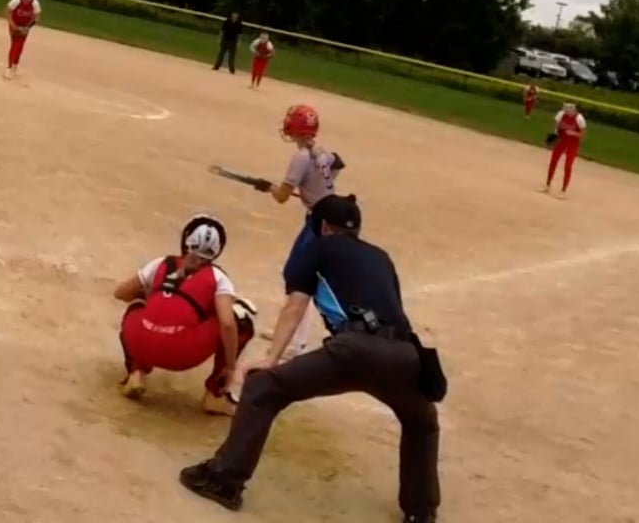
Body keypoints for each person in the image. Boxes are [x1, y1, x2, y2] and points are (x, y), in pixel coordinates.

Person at [180, 194, 443, 522]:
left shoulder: (317, 248)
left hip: (353, 351)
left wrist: (272, 357)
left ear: (323, 226)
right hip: (405, 356)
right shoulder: (381, 257)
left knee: (262, 389)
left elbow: (296, 305)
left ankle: (224, 480)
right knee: (422, 423)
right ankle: (421, 512)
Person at [114, 215, 259, 417]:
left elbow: (120, 293)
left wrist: (152, 295)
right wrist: (231, 367)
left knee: (137, 306)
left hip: (143, 346)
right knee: (240, 321)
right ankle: (215, 395)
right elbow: (227, 324)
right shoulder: (218, 277)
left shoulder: (161, 263)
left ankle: (136, 371)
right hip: (182, 354)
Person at [266, 104, 348, 352]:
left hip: (321, 222)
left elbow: (282, 196)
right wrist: (317, 187)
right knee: (296, 273)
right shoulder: (320, 152)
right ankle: (288, 332)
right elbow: (338, 163)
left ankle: (297, 341)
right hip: (323, 216)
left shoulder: (301, 157)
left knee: (302, 276)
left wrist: (268, 187)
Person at [543, 102, 585, 197]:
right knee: (553, 162)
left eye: (568, 109)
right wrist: (555, 133)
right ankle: (547, 185)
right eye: (565, 108)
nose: (566, 110)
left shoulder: (579, 119)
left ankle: (563, 191)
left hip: (572, 144)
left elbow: (582, 135)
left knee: (568, 166)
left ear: (574, 110)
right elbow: (556, 126)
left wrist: (573, 133)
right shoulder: (561, 114)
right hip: (560, 142)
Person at [3, 0, 41, 79]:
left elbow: (36, 17)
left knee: (19, 45)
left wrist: (28, 27)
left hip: (25, 26)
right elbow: (8, 11)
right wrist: (12, 24)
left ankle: (13, 66)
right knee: (15, 44)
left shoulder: (35, 3)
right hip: (14, 24)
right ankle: (11, 66)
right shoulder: (16, 0)